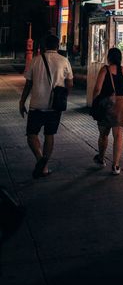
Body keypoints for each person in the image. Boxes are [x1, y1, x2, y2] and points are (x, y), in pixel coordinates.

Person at [18, 34, 73, 178]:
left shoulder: (35, 61)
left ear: (44, 46)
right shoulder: (64, 61)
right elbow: (70, 83)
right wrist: (64, 96)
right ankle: (45, 164)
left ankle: (41, 160)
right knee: (50, 135)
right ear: (57, 46)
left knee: (31, 135)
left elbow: (28, 84)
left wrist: (22, 101)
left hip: (36, 105)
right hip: (55, 106)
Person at [91, 47, 123, 175]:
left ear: (109, 57)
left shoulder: (105, 69)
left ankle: (101, 158)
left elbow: (97, 89)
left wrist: (95, 102)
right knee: (118, 135)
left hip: (106, 104)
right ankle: (116, 166)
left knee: (103, 134)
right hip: (122, 104)